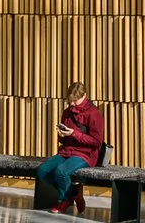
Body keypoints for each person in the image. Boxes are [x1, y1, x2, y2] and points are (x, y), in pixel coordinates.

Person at [40, 82, 106, 215]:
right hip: (67, 150)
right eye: (70, 101)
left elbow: (96, 142)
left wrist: (74, 134)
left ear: (85, 96)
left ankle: (63, 201)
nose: (73, 104)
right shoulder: (67, 112)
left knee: (61, 172)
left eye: (76, 101)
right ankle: (74, 193)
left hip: (86, 154)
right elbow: (65, 139)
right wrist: (62, 135)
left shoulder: (94, 114)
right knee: (43, 171)